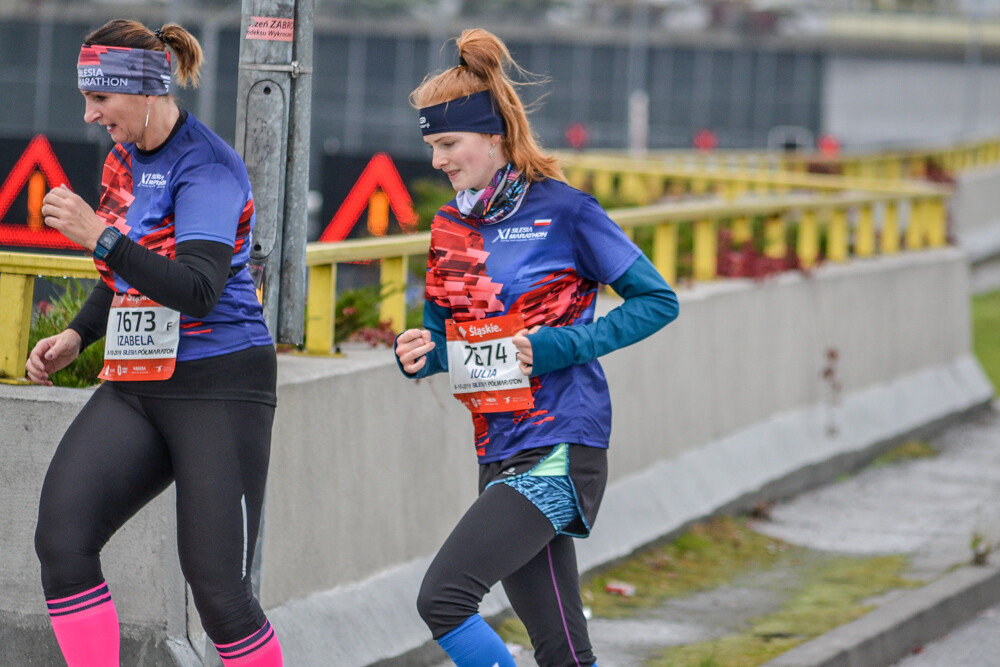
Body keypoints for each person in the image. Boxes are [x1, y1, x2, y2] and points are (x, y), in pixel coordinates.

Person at [395, 28, 679, 667]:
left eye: (448, 144)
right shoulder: (449, 226)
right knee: (561, 650)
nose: (437, 160)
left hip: (559, 446)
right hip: (497, 444)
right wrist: (421, 352)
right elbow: (449, 337)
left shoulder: (567, 211)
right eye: (431, 146)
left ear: (493, 136)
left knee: (443, 599)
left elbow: (658, 301)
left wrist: (557, 345)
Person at [28, 20, 282, 667]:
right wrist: (78, 333)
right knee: (63, 541)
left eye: (100, 98)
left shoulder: (209, 166)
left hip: (220, 385)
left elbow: (196, 286)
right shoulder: (121, 160)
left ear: (142, 89)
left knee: (220, 592)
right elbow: (129, 270)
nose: (90, 114)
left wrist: (99, 237)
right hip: (137, 384)